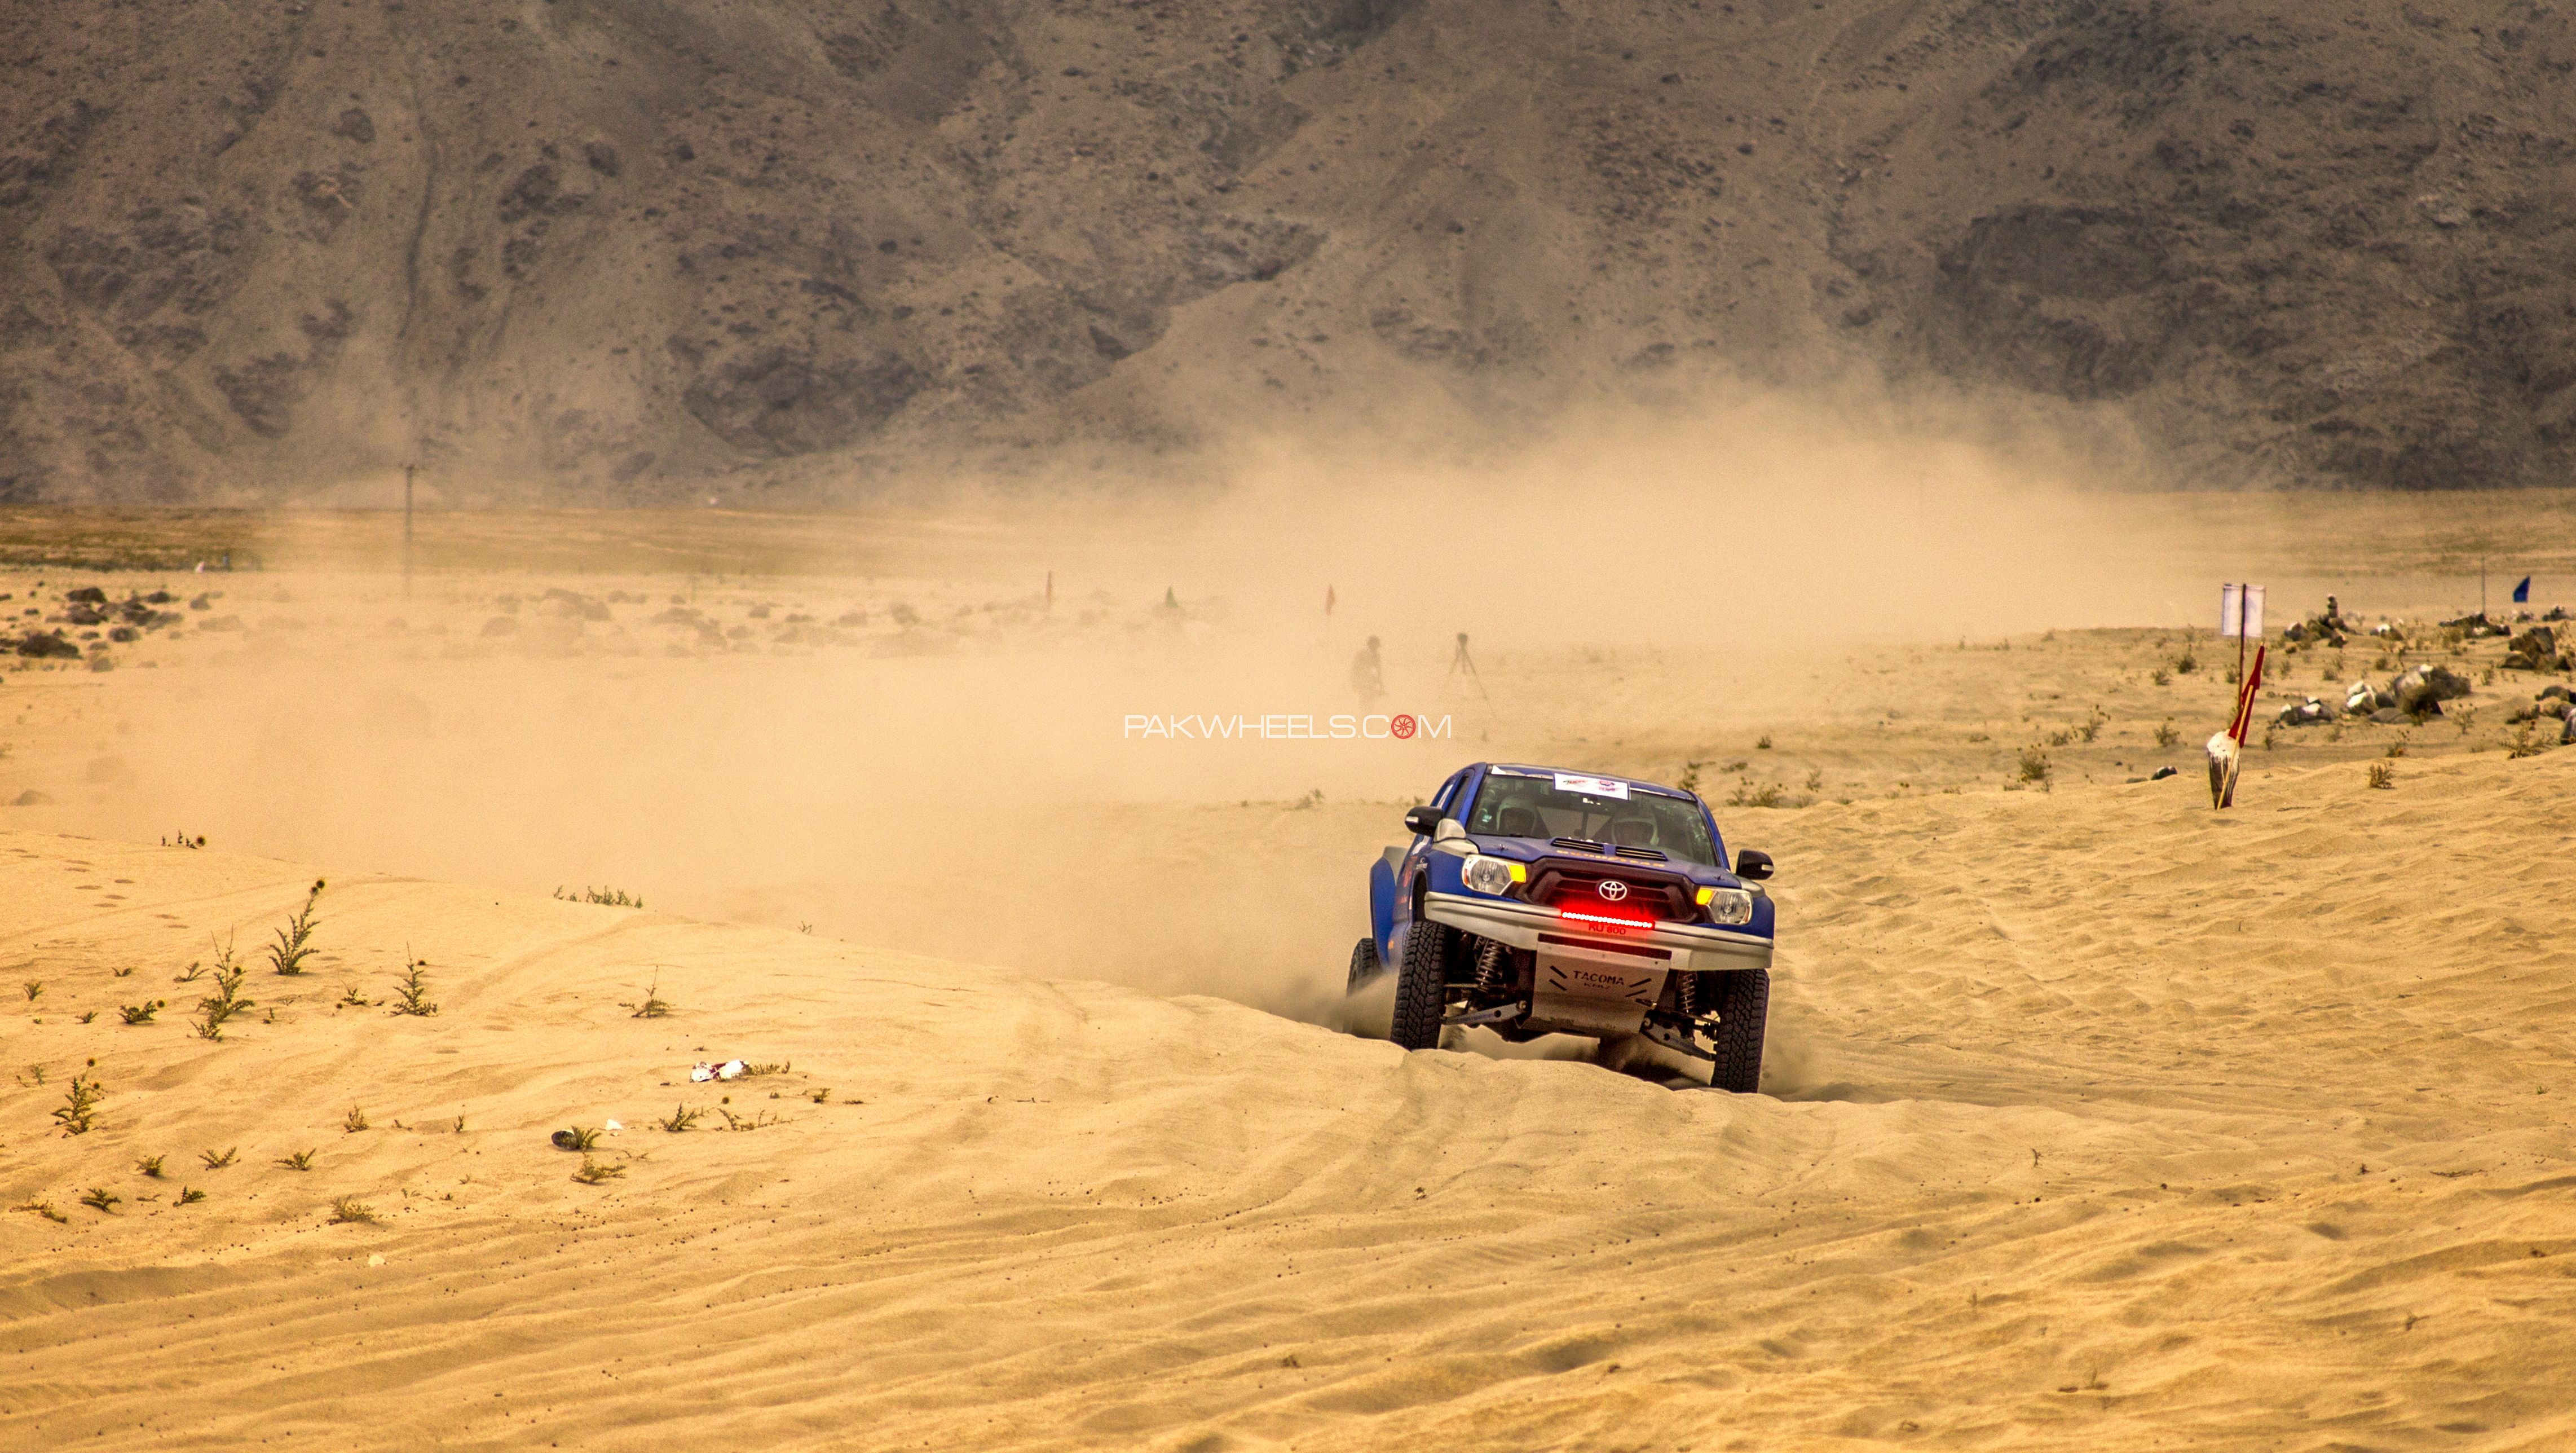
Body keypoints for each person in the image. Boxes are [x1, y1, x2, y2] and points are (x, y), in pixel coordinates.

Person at [1351, 635, 1384, 711]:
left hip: (1372, 682)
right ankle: (1363, 718)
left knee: (1371, 703)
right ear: (1370, 644)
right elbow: (1355, 668)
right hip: (1362, 681)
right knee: (1364, 701)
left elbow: (1379, 670)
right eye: (1374, 645)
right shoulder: (1362, 654)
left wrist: (1381, 685)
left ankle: (1368, 717)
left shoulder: (1377, 655)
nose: (1376, 647)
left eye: (1377, 645)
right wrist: (1354, 682)